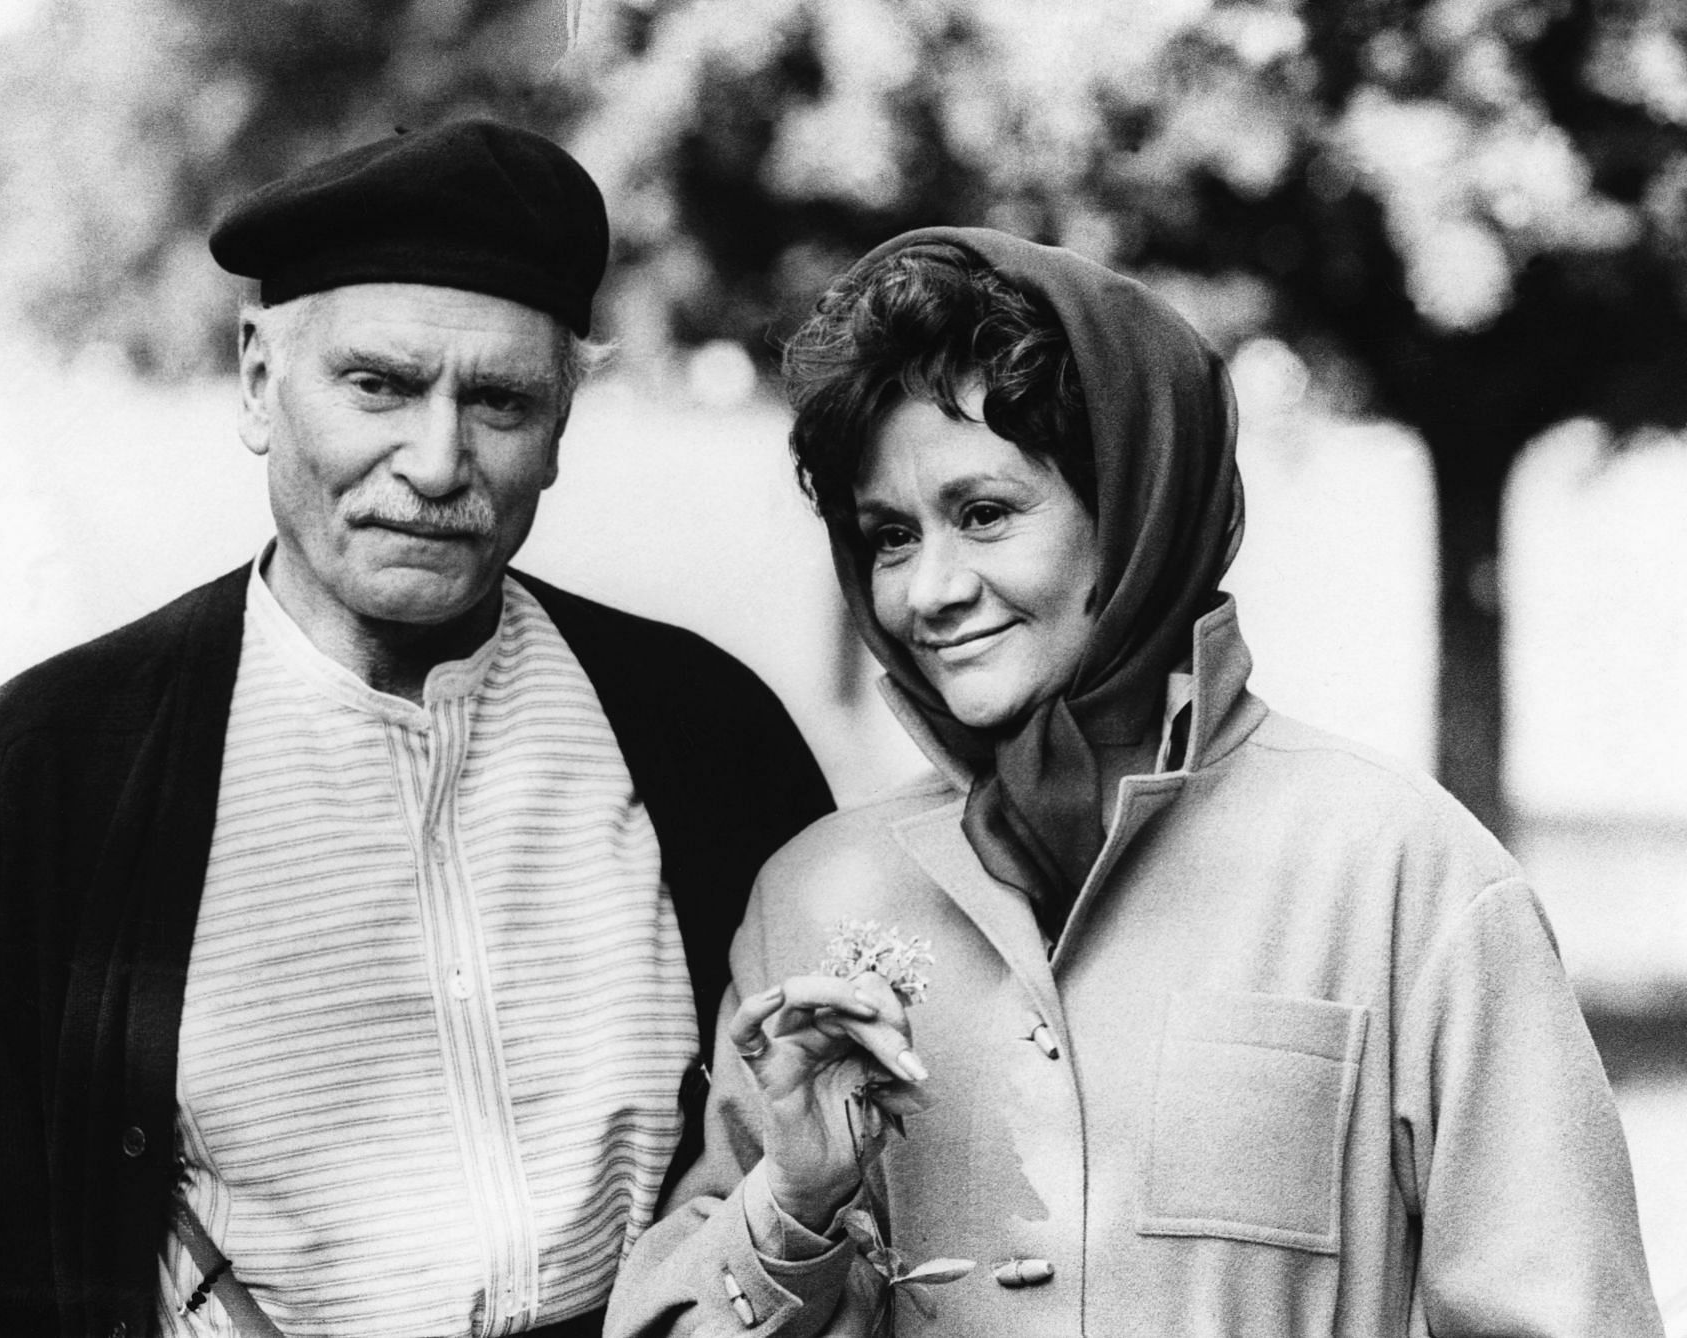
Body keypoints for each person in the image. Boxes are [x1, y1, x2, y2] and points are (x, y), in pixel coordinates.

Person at [0, 120, 834, 1338]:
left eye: (499, 399)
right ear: (255, 382)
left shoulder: (708, 735)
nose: (437, 462)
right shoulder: (59, 767)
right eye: (379, 384)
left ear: (560, 430)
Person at [604, 229, 1664, 1336]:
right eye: (887, 536)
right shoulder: (814, 901)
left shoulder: (1405, 876)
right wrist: (796, 1204)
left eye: (984, 514)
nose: (930, 590)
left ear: (1135, 509)